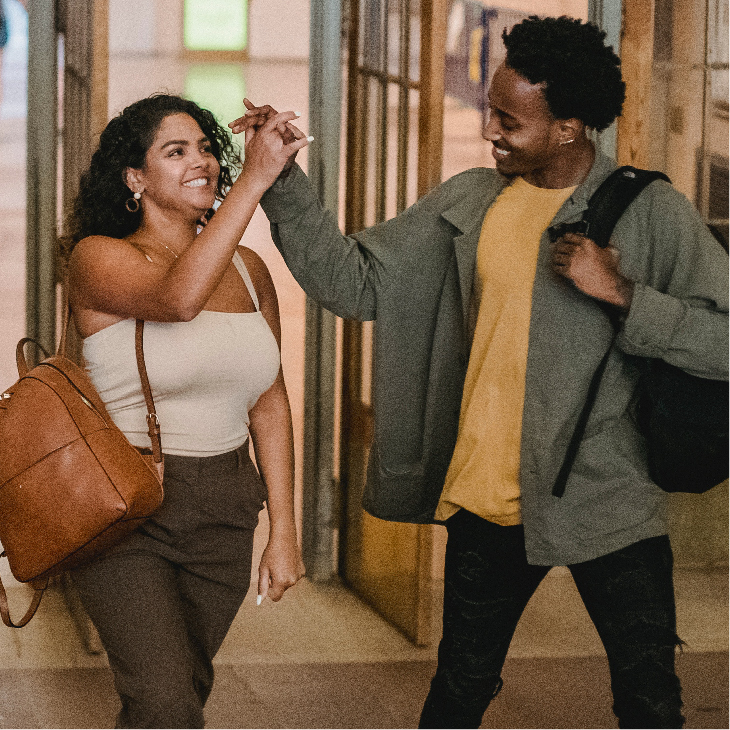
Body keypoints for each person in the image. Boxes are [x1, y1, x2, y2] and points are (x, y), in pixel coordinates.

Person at [231, 15, 728, 729]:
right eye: (493, 111)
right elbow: (355, 282)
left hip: (611, 505)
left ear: (568, 128)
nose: (490, 130)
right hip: (485, 498)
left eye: (510, 120)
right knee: (458, 694)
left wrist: (624, 295)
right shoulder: (472, 201)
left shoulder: (649, 214)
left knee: (651, 700)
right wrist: (281, 181)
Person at [62, 93, 309, 728]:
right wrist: (255, 179)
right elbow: (178, 298)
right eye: (176, 152)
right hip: (129, 505)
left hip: (225, 507)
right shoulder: (99, 258)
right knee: (166, 703)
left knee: (177, 694)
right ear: (134, 179)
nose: (200, 160)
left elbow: (271, 402)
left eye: (205, 147)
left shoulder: (251, 272)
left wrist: (284, 530)